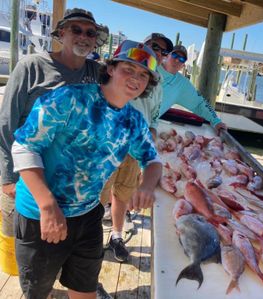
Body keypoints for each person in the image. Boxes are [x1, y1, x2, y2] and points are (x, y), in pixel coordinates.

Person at [11, 40, 162, 299]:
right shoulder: (69, 98)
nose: (136, 78)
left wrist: (147, 185)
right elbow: (24, 147)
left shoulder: (133, 120)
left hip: (89, 213)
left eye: (143, 75)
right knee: (38, 292)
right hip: (40, 213)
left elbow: (153, 159)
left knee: (85, 288)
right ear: (111, 69)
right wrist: (48, 206)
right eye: (129, 69)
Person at [0, 7, 108, 237]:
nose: (84, 37)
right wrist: (8, 178)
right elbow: (6, 124)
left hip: (70, 183)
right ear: (61, 34)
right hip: (28, 174)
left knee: (60, 242)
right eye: (76, 29)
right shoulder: (31, 66)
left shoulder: (98, 73)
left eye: (90, 33)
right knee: (18, 242)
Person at [100, 33, 173, 263]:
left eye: (163, 51)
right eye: (154, 47)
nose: (159, 52)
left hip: (135, 149)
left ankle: (116, 236)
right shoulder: (88, 97)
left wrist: (148, 149)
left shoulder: (156, 86)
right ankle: (87, 242)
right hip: (106, 148)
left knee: (122, 194)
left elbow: (152, 120)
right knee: (98, 196)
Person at [158, 45, 227, 133]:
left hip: (145, 125)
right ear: (167, 55)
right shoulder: (152, 67)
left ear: (183, 65)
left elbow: (200, 103)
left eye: (182, 59)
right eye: (175, 55)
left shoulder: (182, 84)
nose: (177, 60)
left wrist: (216, 121)